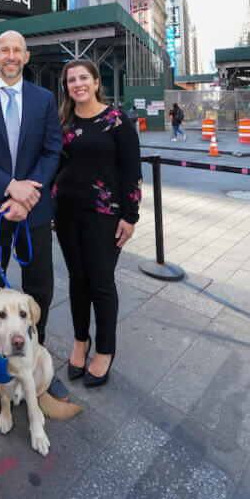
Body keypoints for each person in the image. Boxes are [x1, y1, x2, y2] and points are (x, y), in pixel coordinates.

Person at [0, 29, 66, 428]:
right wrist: (9, 187)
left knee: (41, 289)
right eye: (4, 49)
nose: (11, 55)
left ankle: (33, 363)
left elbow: (53, 150)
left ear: (26, 54)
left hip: (32, 211)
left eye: (17, 49)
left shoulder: (44, 99)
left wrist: (26, 196)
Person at [53, 60, 141, 387]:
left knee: (101, 282)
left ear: (95, 81)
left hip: (105, 215)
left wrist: (130, 217)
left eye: (83, 78)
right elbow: (55, 163)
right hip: (66, 213)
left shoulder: (117, 121)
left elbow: (132, 173)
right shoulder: (64, 121)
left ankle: (104, 350)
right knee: (77, 279)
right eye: (71, 80)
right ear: (67, 87)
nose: (77, 84)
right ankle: (80, 340)